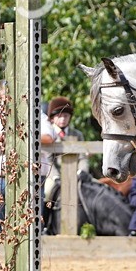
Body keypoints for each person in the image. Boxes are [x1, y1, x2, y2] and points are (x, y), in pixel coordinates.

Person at [40, 96, 85, 234]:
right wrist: (56, 177)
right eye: (59, 116)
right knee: (47, 192)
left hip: (74, 174)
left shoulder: (77, 134)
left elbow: (83, 157)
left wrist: (82, 172)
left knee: (89, 190)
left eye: (66, 116)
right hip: (53, 175)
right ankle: (45, 226)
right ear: (52, 118)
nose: (63, 119)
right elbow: (48, 158)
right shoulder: (49, 133)